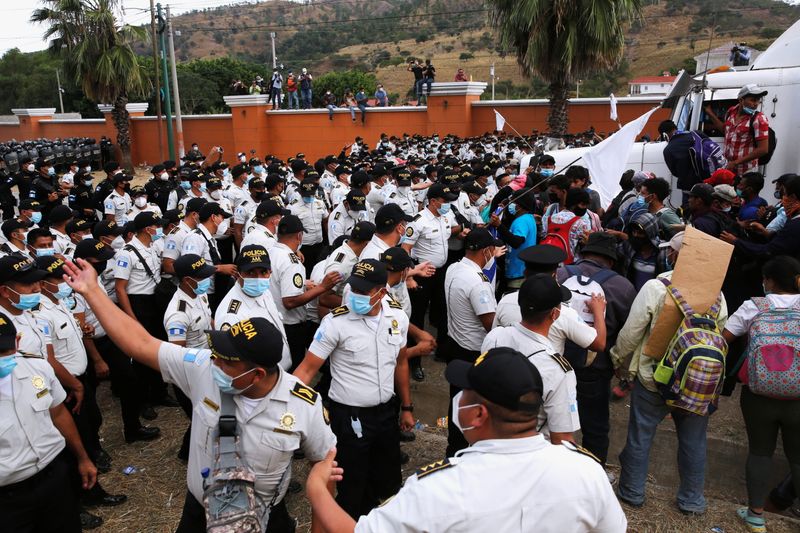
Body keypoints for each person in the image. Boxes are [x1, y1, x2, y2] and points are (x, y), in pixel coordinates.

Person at [63, 258, 337, 533]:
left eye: (226, 362)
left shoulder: (304, 406)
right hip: (200, 512)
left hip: (264, 518)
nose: (214, 363)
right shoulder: (202, 367)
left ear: (257, 375)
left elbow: (325, 469)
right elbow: (141, 343)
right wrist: (93, 291)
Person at [305, 347, 627, 533]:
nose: (457, 399)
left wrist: (318, 491)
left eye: (464, 393)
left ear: (478, 415)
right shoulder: (586, 472)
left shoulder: (437, 489)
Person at [611, 231, 727, 515]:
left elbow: (632, 332)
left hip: (653, 378)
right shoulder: (717, 295)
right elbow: (717, 333)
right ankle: (691, 500)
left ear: (675, 255)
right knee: (693, 441)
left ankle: (632, 492)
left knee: (641, 434)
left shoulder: (656, 287)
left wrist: (618, 359)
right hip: (694, 381)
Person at [294, 259, 413, 519]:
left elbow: (401, 362)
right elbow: (307, 369)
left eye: (363, 291)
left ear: (381, 292)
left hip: (385, 414)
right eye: (354, 289)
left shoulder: (397, 318)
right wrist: (282, 404)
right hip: (349, 417)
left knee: (388, 480)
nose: (355, 296)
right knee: (352, 485)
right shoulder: (336, 323)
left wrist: (406, 407)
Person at [721, 256, 800, 533]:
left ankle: (755, 516)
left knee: (760, 452)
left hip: (759, 394)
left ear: (770, 281)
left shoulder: (754, 305)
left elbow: (725, 338)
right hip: (799, 397)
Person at [0, 310, 98, 533]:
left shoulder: (37, 367)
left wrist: (82, 458)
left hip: (53, 478)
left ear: (17, 341)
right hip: (7, 498)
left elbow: (58, 414)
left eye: (5, 350)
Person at [556, 232, 637, 464]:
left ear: (583, 252)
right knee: (595, 428)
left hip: (555, 359)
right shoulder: (622, 287)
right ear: (611, 259)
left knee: (552, 419)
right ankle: (592, 477)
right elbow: (629, 330)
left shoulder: (560, 274)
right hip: (595, 366)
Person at [483, 274, 583, 445]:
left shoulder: (495, 337)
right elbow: (563, 440)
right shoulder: (558, 371)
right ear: (555, 313)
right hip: (525, 457)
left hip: (487, 442)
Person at [443, 229, 501, 455]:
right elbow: (490, 323)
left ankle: (454, 448)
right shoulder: (478, 283)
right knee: (473, 404)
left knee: (456, 400)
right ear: (486, 251)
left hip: (455, 343)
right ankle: (464, 450)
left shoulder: (453, 268)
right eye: (491, 250)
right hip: (473, 350)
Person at [268, 215, 341, 370]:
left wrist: (303, 285)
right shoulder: (291, 261)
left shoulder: (271, 252)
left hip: (274, 319)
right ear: (299, 236)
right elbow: (290, 302)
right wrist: (323, 287)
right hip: (290, 325)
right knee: (293, 366)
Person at [215, 244, 292, 370]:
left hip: (279, 371)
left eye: (263, 272)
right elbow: (234, 366)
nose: (258, 278)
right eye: (250, 272)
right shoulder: (231, 316)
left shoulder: (264, 291)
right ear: (238, 273)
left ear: (270, 272)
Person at [721, 174, 800, 258]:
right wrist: (765, 232)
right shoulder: (794, 220)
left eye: (784, 194)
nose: (782, 199)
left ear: (792, 197)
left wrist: (735, 242)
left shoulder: (795, 225)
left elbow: (768, 251)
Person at [704, 84, 770, 176]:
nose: (756, 104)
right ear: (741, 100)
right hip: (727, 167)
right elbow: (726, 131)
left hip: (745, 172)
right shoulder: (731, 112)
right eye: (753, 100)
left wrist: (736, 162)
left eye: (758, 100)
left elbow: (763, 149)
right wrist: (710, 113)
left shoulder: (759, 119)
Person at [489, 190, 537, 290]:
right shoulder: (527, 218)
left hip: (518, 272)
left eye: (513, 202)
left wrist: (499, 226)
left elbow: (516, 242)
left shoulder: (522, 221)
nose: (510, 205)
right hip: (519, 269)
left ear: (519, 206)